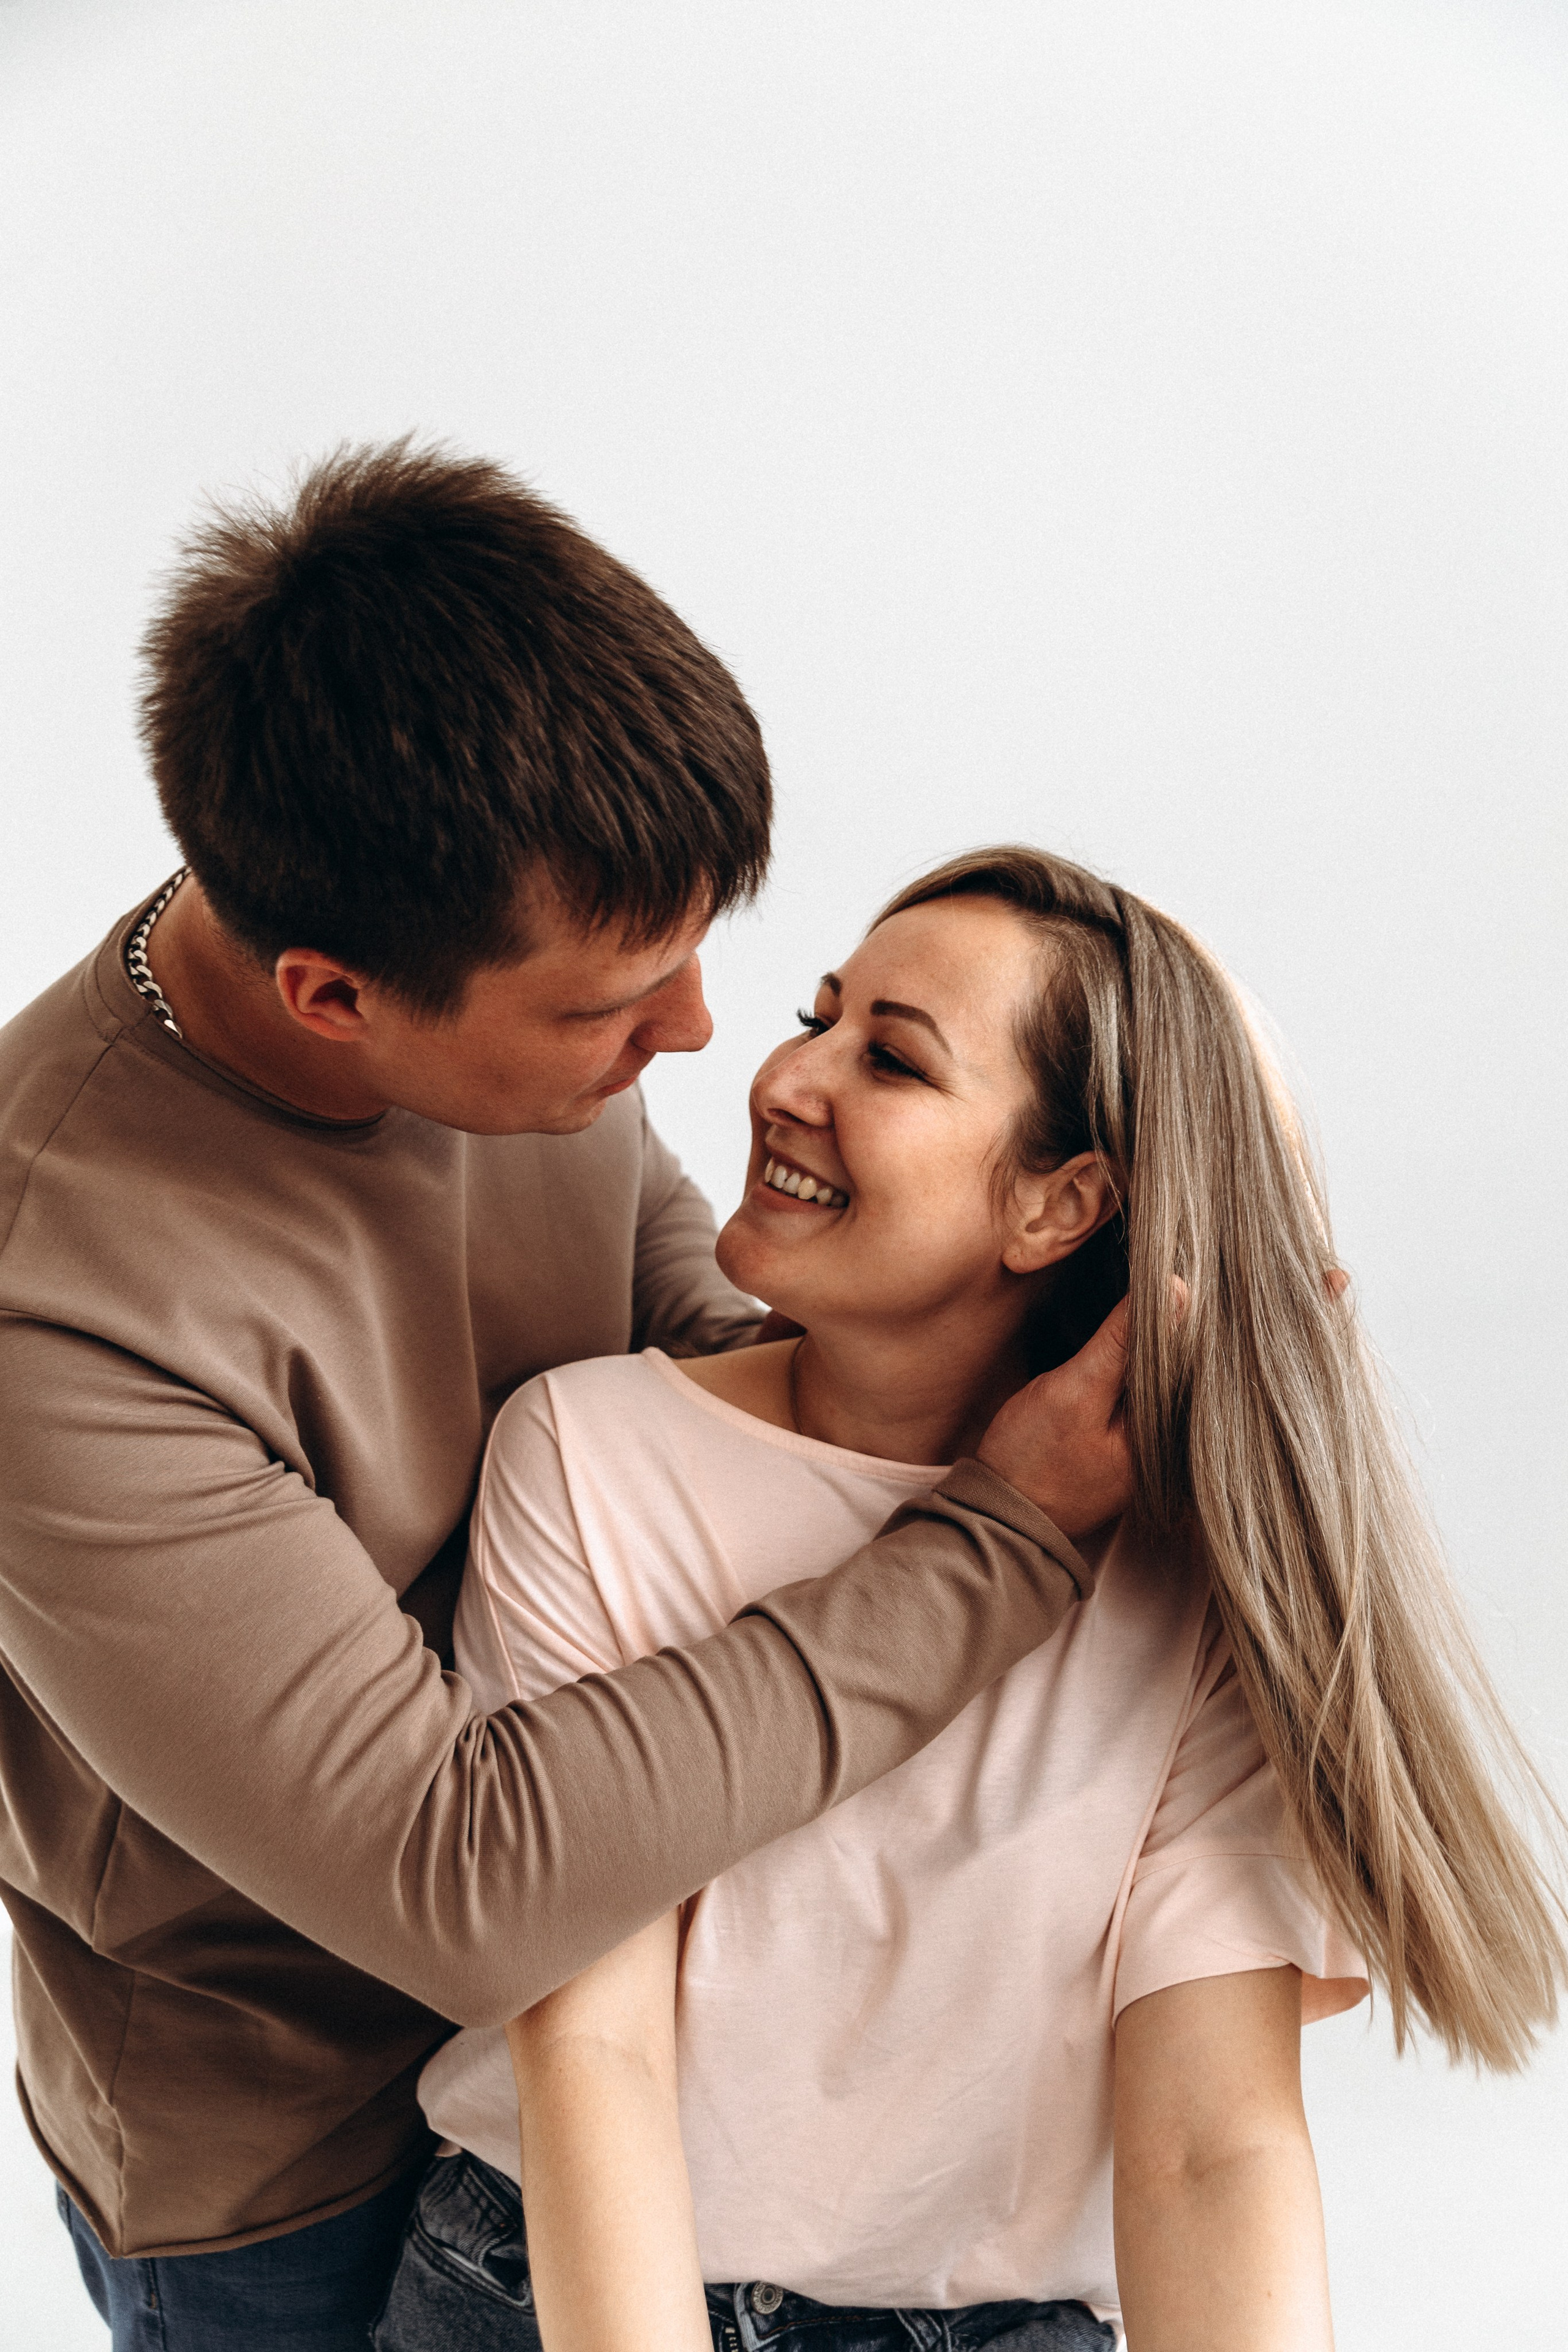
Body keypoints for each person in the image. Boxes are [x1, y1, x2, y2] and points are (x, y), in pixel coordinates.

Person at [0, 453, 1136, 2352]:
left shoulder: (472, 973)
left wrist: (1062, 1338)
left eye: (702, 951)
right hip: (297, 2151)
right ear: (332, 995)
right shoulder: (53, 1312)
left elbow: (698, 1370)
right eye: (621, 999)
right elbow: (457, 1880)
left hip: (632, 2033)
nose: (699, 1037)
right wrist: (1003, 1539)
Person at [390, 847, 1566, 2351]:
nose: (785, 1077)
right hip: (551, 2287)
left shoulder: (1194, 1578)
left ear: (1060, 1204)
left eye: (886, 1057)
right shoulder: (593, 1450)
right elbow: (589, 2046)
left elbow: (1211, 2147)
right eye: (817, 1014)